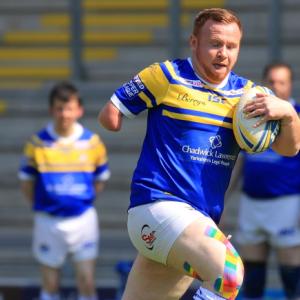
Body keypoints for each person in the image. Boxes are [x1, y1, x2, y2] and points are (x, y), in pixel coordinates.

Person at [98, 8, 300, 300]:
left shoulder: (248, 96)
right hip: (158, 207)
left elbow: (288, 148)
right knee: (229, 274)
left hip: (194, 221)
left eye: (231, 46)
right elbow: (110, 115)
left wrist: (289, 115)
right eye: (215, 44)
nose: (223, 53)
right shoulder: (167, 75)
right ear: (194, 42)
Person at [19, 81, 110, 300]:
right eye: (59, 108)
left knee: (86, 281)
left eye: (69, 108)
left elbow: (100, 180)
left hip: (82, 220)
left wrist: (79, 202)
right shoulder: (36, 143)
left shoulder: (93, 143)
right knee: (50, 284)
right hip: (48, 221)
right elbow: (26, 183)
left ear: (79, 110)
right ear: (52, 110)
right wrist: (45, 207)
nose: (64, 114)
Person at [234, 62, 300, 299]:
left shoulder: (297, 115)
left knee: (291, 273)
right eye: (271, 81)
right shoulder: (248, 114)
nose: (276, 87)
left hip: (287, 203)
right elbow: (239, 162)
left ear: (290, 85)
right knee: (251, 275)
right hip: (252, 202)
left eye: (282, 82)